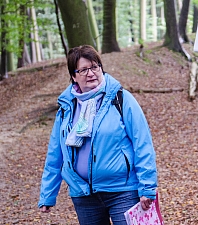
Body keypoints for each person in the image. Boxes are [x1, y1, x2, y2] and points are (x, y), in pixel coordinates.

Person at [38, 45, 158, 225]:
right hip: (83, 195)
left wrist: (147, 187)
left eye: (95, 67)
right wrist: (48, 194)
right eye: (83, 69)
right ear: (73, 76)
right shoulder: (67, 108)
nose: (91, 73)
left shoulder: (121, 99)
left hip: (122, 191)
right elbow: (56, 152)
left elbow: (142, 143)